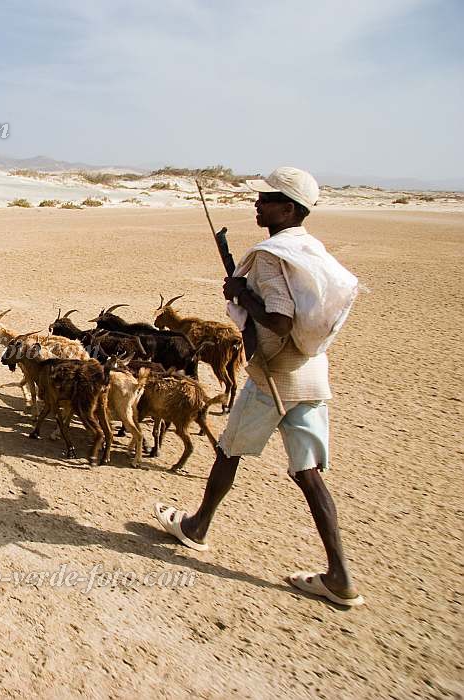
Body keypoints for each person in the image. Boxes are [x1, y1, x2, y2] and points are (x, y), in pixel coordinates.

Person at [153, 166, 364, 607]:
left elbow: (280, 319)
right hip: (310, 371)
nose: (257, 204)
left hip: (273, 374)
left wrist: (241, 293)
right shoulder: (310, 249)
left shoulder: (271, 255)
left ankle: (196, 528)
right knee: (308, 473)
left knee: (229, 450)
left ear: (287, 207)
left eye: (265, 198)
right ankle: (340, 575)